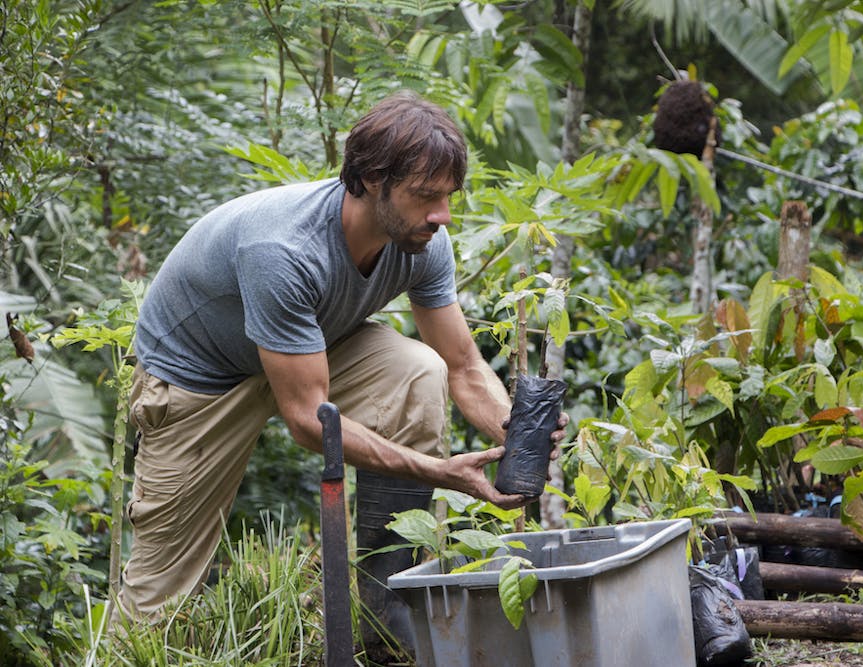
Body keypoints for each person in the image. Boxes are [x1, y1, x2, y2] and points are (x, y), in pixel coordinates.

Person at [116, 90, 567, 660]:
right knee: (159, 597)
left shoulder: (423, 241)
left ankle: (387, 619)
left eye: (449, 197)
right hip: (200, 378)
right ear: (370, 180)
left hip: (309, 347)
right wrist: (440, 472)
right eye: (426, 196)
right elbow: (310, 422)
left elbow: (465, 366)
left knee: (416, 370)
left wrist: (517, 434)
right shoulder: (281, 247)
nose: (443, 215)